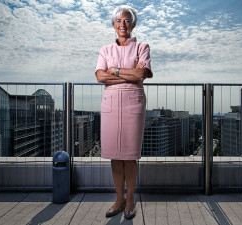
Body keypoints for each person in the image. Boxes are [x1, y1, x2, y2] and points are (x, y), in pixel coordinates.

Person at [95, 5, 153, 220]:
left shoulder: (142, 47)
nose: (122, 24)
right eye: (118, 20)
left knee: (129, 155)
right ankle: (118, 199)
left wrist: (116, 71)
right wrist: (129, 75)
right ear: (113, 24)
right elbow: (100, 77)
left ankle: (130, 199)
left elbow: (140, 74)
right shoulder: (105, 50)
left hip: (133, 103)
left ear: (133, 24)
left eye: (127, 20)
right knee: (114, 155)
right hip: (110, 103)